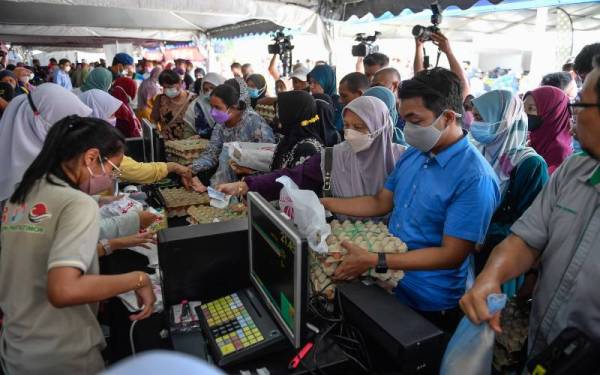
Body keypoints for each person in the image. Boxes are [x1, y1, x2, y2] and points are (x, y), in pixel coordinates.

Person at [321, 68, 500, 332]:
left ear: (448, 117)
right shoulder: (414, 154)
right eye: (404, 120)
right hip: (389, 282)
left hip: (428, 299)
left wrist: (377, 259)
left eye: (415, 120)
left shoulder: (474, 178)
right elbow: (380, 203)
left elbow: (451, 255)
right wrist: (324, 204)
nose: (407, 129)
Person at [459, 56, 600, 359]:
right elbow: (526, 236)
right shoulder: (575, 170)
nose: (571, 114)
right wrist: (491, 276)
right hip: (545, 343)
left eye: (579, 104)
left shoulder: (531, 162)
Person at [0, 116, 156, 374]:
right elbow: (64, 289)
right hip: (61, 355)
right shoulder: (76, 204)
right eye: (112, 168)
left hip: (18, 348)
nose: (111, 177)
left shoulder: (23, 192)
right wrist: (138, 279)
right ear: (91, 158)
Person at [218, 96, 404, 219]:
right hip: (341, 242)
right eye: (347, 125)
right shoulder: (334, 157)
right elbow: (292, 176)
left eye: (360, 127)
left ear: (380, 127)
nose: (350, 133)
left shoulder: (402, 159)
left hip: (394, 250)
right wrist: (245, 185)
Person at [469, 90, 549, 294]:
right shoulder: (476, 150)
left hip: (499, 259)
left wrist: (482, 234)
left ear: (503, 120)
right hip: (463, 249)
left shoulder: (530, 165)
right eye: (475, 117)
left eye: (480, 118)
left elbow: (530, 224)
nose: (474, 124)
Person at [0, 83, 92, 205]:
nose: (72, 135)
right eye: (67, 127)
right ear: (40, 123)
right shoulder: (24, 182)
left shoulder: (44, 157)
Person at [189, 84, 274, 189]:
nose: (213, 112)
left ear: (233, 106)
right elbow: (212, 153)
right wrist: (191, 169)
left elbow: (268, 160)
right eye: (212, 107)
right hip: (225, 181)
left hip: (250, 183)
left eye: (217, 107)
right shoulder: (221, 124)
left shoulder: (254, 123)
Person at [269, 90, 324, 171]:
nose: (276, 117)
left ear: (293, 114)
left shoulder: (307, 149)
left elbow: (292, 181)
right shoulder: (288, 140)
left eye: (280, 112)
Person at [523, 86, 572, 174]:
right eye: (523, 109)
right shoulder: (531, 138)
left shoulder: (560, 152)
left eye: (531, 109)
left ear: (553, 113)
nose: (524, 114)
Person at [414, 31, 470, 100]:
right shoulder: (450, 105)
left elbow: (417, 79)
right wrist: (449, 52)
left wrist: (419, 47)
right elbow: (463, 87)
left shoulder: (423, 104)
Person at [150, 69, 197, 140]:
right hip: (167, 144)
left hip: (188, 145)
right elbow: (154, 120)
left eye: (169, 86)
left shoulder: (193, 99)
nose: (166, 90)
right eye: (164, 87)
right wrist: (157, 134)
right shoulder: (160, 99)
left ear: (180, 83)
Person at [184, 72, 227, 139]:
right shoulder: (195, 105)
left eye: (212, 88)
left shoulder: (228, 103)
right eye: (206, 89)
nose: (209, 91)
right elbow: (188, 131)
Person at [371, 68, 405, 143]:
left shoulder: (408, 113)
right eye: (372, 86)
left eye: (378, 85)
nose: (375, 89)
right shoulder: (374, 111)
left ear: (395, 86)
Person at [308, 64, 343, 133]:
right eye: (310, 82)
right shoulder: (310, 102)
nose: (311, 86)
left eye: (316, 82)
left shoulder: (338, 104)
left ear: (327, 81)